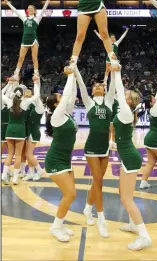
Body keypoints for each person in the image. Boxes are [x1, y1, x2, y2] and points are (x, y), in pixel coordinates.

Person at [113, 67, 152, 251]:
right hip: (128, 156)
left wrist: (116, 71)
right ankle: (132, 224)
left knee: (127, 199)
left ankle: (144, 236)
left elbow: (119, 90)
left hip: (129, 158)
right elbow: (117, 91)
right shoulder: (125, 112)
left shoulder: (126, 111)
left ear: (128, 100)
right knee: (123, 194)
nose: (123, 95)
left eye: (125, 95)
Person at [74, 65, 115, 238]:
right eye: (95, 86)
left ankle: (87, 208)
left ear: (105, 91)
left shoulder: (110, 101)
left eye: (101, 86)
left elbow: (113, 84)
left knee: (98, 182)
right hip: (91, 147)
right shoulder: (89, 102)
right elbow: (82, 85)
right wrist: (76, 69)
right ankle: (101, 219)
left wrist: (113, 66)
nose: (99, 87)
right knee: (98, 182)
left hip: (105, 148)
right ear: (92, 91)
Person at [45, 69, 78, 242]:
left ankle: (60, 223)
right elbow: (66, 96)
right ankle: (55, 227)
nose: (62, 98)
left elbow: (71, 95)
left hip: (66, 159)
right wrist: (70, 75)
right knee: (70, 194)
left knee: (71, 194)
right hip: (55, 160)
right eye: (59, 97)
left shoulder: (65, 113)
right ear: (56, 104)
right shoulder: (56, 116)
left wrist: (74, 71)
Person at [1, 76, 40, 185]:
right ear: (22, 94)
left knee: (9, 154)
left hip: (9, 129)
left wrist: (9, 83)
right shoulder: (25, 102)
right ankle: (14, 178)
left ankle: (4, 174)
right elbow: (36, 96)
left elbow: (1, 94)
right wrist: (36, 83)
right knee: (18, 155)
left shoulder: (8, 101)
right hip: (20, 130)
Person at [4, 0, 52, 80]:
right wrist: (7, 3)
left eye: (31, 8)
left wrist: (48, 1)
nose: (29, 9)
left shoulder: (37, 19)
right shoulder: (24, 19)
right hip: (25, 40)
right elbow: (15, 11)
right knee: (21, 58)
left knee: (34, 57)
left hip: (33, 40)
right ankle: (16, 74)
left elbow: (43, 10)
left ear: (34, 10)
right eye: (28, 8)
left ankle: (36, 73)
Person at [22, 81, 45, 181]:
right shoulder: (24, 103)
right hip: (27, 131)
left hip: (33, 132)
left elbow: (37, 95)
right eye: (25, 91)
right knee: (28, 154)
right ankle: (31, 173)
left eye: (29, 91)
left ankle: (39, 170)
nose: (27, 92)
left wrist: (36, 82)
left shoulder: (36, 106)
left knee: (28, 154)